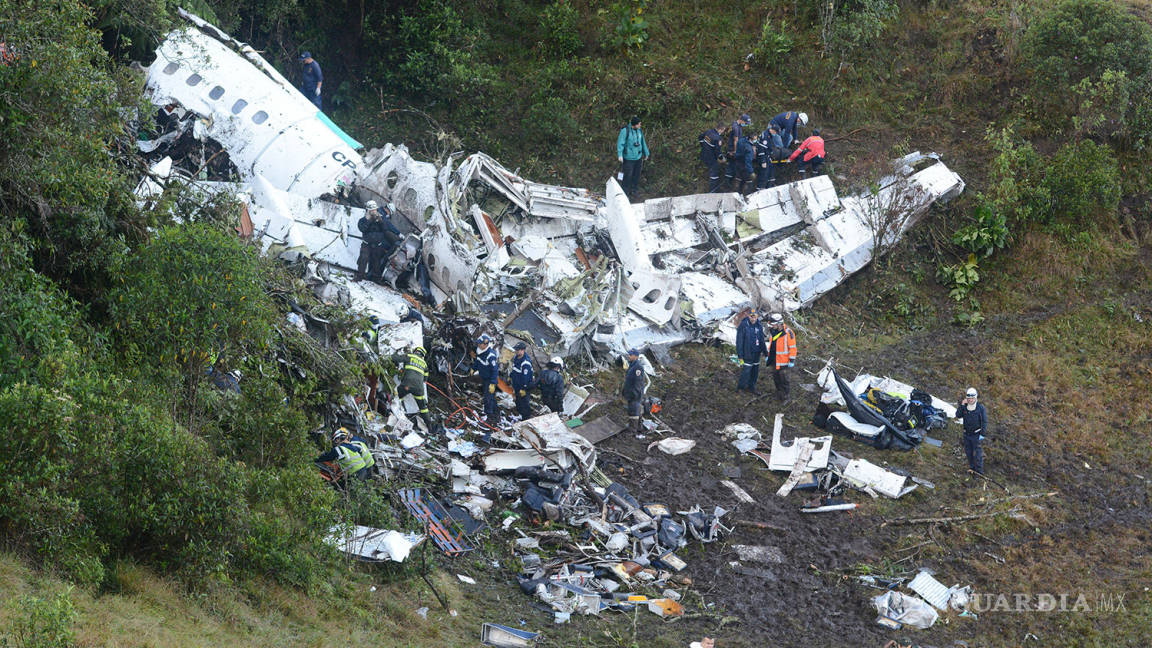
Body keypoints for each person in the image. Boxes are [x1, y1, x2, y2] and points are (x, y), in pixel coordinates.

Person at [356, 200, 400, 281]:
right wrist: (369, 220)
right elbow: (363, 229)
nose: (374, 212)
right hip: (366, 244)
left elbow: (385, 229)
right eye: (372, 210)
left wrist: (380, 221)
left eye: (375, 210)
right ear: (368, 210)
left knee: (376, 262)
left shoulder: (381, 219)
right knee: (363, 259)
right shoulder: (363, 220)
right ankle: (359, 276)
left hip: (377, 245)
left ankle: (375, 278)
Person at [391, 345, 431, 430]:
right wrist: (423, 379)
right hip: (419, 389)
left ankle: (399, 415)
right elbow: (425, 378)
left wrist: (395, 352)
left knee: (397, 397)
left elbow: (395, 358)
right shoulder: (424, 364)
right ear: (422, 355)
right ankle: (429, 425)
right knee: (423, 408)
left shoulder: (410, 356)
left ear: (415, 351)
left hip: (407, 385)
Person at [955, 387, 987, 475]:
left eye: (972, 398)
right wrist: (962, 405)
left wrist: (982, 434)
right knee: (968, 453)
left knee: (977, 454)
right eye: (969, 398)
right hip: (966, 434)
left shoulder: (980, 408)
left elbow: (984, 421)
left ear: (975, 398)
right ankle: (972, 469)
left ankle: (979, 472)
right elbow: (958, 415)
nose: (970, 400)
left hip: (976, 435)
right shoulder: (964, 407)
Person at [616, 116, 650, 199]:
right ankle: (624, 193)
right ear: (634, 125)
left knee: (636, 175)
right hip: (628, 158)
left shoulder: (639, 131)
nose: (640, 125)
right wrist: (620, 155)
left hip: (638, 157)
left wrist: (646, 153)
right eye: (639, 124)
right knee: (627, 176)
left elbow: (643, 142)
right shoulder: (625, 131)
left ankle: (634, 191)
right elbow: (620, 143)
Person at [472, 334, 500, 432]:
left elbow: (495, 370)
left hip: (490, 380)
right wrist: (473, 368)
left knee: (488, 398)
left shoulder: (490, 355)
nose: (478, 345)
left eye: (480, 344)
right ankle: (497, 414)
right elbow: (478, 362)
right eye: (478, 343)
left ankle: (490, 418)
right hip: (484, 378)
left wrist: (493, 383)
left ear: (485, 344)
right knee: (490, 397)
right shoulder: (480, 351)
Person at [735, 309, 768, 393]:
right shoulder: (743, 325)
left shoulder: (759, 325)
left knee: (755, 371)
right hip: (747, 353)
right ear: (748, 316)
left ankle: (751, 387)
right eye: (751, 317)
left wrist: (765, 353)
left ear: (757, 317)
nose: (753, 319)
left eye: (755, 317)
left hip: (756, 353)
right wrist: (740, 356)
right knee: (746, 371)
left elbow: (761, 340)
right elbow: (739, 341)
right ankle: (740, 388)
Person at [766, 313, 797, 401]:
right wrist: (769, 356)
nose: (771, 326)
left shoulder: (788, 333)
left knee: (784, 380)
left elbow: (793, 348)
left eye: (773, 325)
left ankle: (786, 397)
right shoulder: (773, 331)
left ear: (779, 324)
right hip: (774, 361)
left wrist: (791, 360)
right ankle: (779, 394)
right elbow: (772, 345)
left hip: (784, 362)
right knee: (776, 379)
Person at [621, 348, 647, 433]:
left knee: (633, 411)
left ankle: (632, 430)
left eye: (631, 355)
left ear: (635, 356)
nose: (629, 356)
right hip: (631, 392)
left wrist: (634, 393)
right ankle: (639, 427)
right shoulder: (632, 365)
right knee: (636, 410)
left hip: (635, 393)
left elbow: (638, 382)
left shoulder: (638, 367)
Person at [510, 342, 535, 420]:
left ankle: (526, 418)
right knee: (518, 401)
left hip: (524, 386)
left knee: (524, 402)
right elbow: (514, 370)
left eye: (518, 350)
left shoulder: (525, 362)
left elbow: (526, 378)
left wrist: (524, 388)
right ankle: (519, 415)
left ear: (523, 350)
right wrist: (510, 377)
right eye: (516, 350)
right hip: (517, 385)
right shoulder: (516, 358)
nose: (516, 351)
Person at [755, 125, 785, 189]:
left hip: (767, 157)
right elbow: (761, 149)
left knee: (771, 173)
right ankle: (760, 188)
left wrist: (770, 157)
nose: (775, 134)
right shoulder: (765, 136)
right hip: (763, 157)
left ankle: (769, 187)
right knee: (764, 174)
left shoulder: (769, 135)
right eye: (775, 132)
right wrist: (763, 161)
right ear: (772, 130)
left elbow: (769, 148)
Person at [699, 123, 725, 193]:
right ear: (720, 129)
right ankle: (713, 191)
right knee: (714, 173)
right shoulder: (717, 138)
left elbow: (700, 137)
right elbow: (717, 151)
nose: (723, 132)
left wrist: (703, 145)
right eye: (723, 130)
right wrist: (721, 158)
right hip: (711, 157)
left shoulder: (709, 132)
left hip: (703, 154)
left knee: (711, 168)